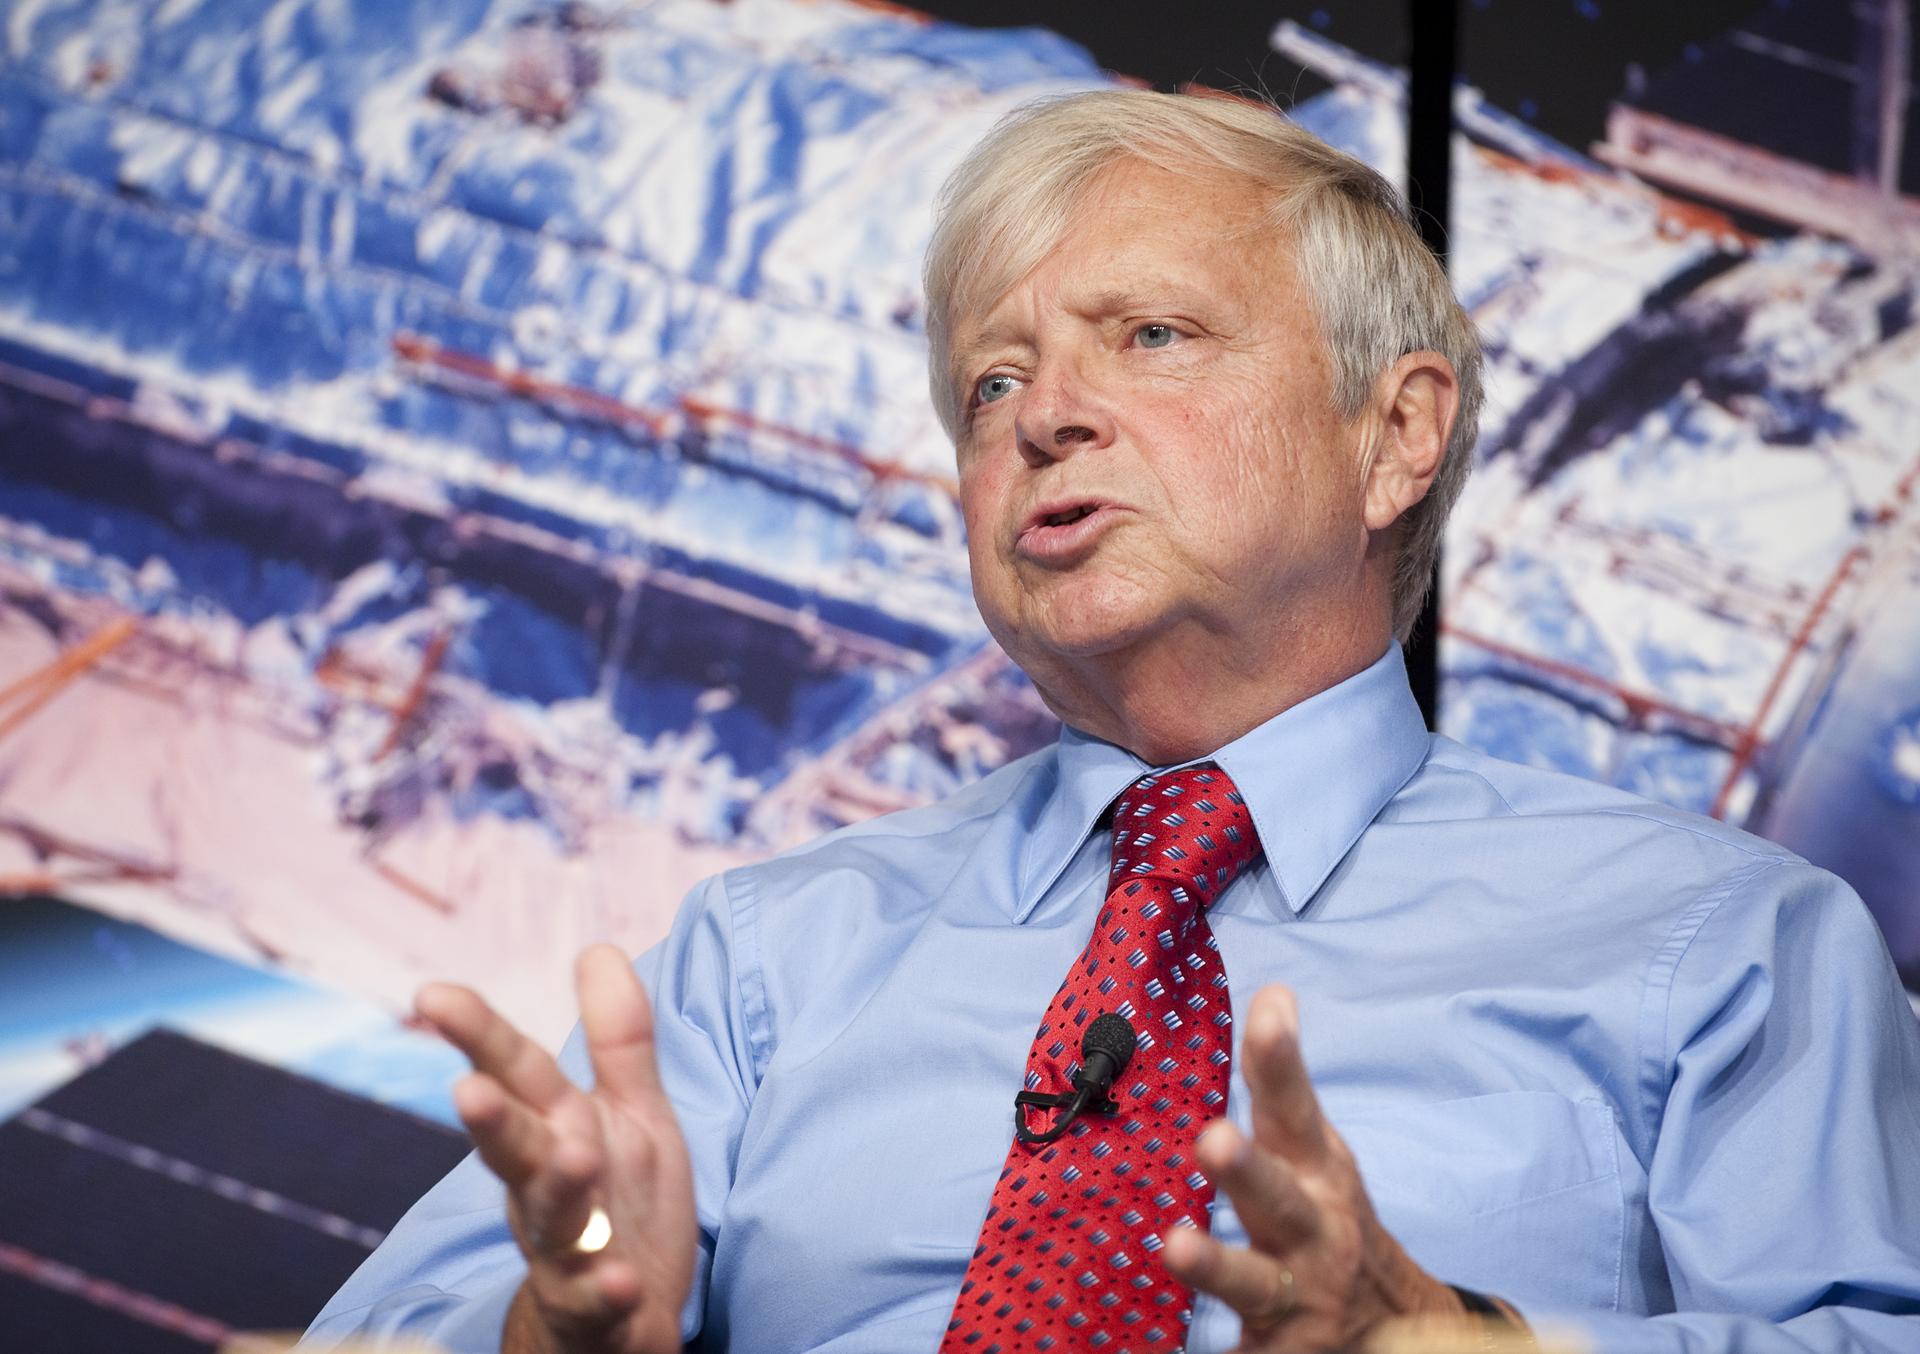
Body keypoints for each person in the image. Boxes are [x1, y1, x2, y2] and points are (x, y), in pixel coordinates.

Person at [304, 91, 1920, 1353]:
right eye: (992, 385)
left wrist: (1450, 1340)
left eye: (1150, 336)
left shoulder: (1723, 946)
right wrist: (566, 1319)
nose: (1048, 415)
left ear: (1394, 434)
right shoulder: (761, 962)